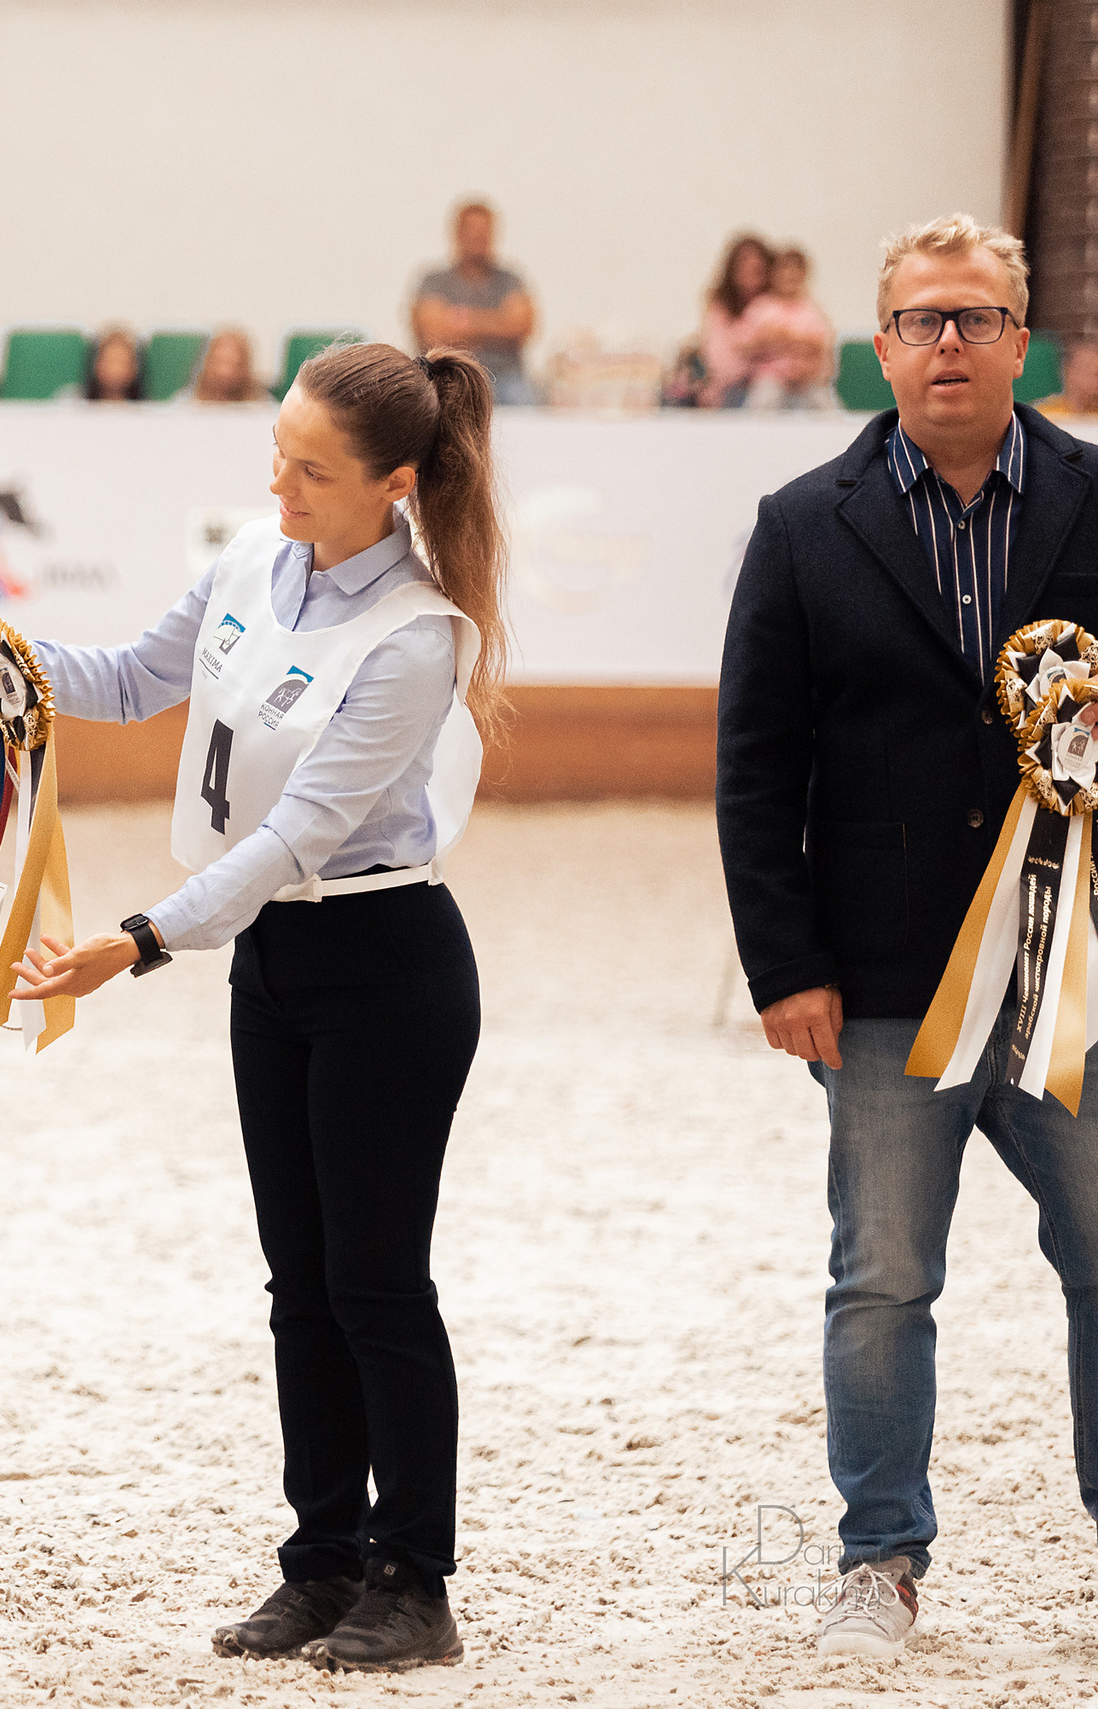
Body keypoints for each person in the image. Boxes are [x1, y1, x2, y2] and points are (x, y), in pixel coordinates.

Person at [0, 342, 509, 1673]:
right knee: (299, 1284)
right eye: (281, 454)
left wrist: (135, 942)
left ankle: (416, 1578)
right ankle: (320, 1563)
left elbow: (304, 834)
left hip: (386, 963)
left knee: (377, 1282)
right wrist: (12, 660)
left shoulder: (420, 632)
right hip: (276, 969)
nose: (282, 482)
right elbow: (137, 678)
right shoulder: (256, 558)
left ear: (397, 484)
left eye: (312, 470)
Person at [718, 213, 1098, 1662]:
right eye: (924, 321)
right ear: (880, 346)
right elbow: (757, 762)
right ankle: (879, 1558)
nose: (950, 343)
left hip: (1077, 976)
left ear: (1022, 340)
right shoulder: (802, 525)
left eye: (978, 319)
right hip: (878, 982)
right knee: (884, 1276)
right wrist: (783, 962)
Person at [410, 200, 536, 405]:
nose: (478, 237)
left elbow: (519, 326)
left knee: (526, 406)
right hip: (450, 377)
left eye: (484, 231)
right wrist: (497, 323)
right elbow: (434, 334)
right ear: (457, 232)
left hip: (505, 378)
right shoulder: (433, 281)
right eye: (471, 230)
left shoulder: (511, 279)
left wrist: (461, 320)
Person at [734, 246, 836, 409]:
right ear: (773, 275)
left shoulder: (811, 311)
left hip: (807, 382)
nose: (789, 278)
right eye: (784, 273)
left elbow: (820, 348)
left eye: (795, 276)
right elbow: (745, 346)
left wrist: (786, 342)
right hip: (772, 379)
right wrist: (775, 342)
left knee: (826, 406)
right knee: (762, 401)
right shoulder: (761, 308)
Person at [690, 234, 774, 408]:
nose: (751, 270)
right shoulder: (720, 306)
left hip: (774, 384)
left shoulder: (777, 306)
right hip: (731, 389)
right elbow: (720, 362)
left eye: (758, 269)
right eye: (744, 266)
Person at [184, 328, 259, 403]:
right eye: (218, 362)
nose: (224, 371)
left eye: (232, 363)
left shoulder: (260, 405)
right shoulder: (187, 401)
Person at [1037, 339, 1098, 419]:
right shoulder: (1046, 415)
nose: (1095, 380)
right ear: (1069, 372)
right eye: (1087, 369)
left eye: (1096, 373)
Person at [86, 324, 143, 401]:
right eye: (109, 362)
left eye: (122, 363)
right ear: (96, 365)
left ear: (134, 368)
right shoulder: (74, 406)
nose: (115, 369)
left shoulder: (151, 408)